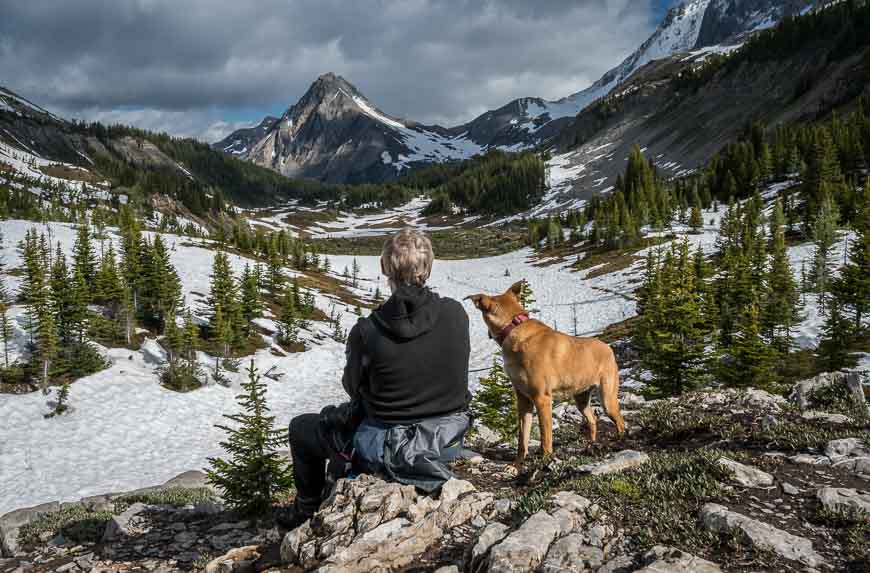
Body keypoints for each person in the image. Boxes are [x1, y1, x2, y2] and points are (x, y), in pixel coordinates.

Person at [278, 228, 471, 529]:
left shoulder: (367, 331)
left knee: (302, 429)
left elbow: (352, 387)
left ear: (384, 269)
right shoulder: (456, 313)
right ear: (429, 267)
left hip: (386, 441)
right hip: (447, 434)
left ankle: (305, 509)